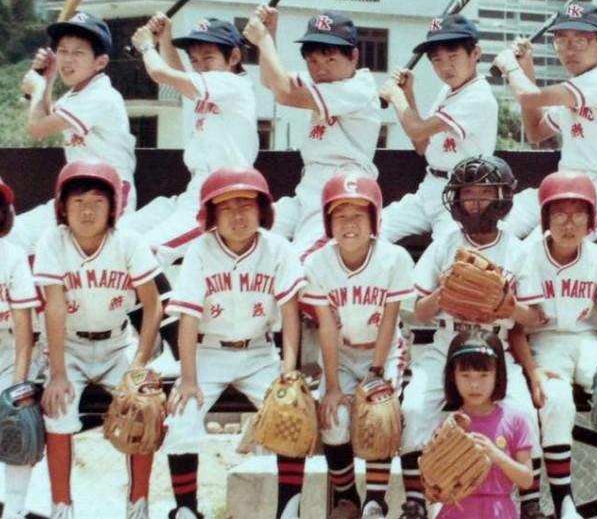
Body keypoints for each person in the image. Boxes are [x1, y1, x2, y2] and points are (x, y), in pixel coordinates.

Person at [399, 156, 545, 519]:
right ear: (456, 199)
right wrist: (444, 294)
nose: (476, 201)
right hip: (448, 342)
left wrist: (507, 305)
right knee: (414, 407)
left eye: (485, 192)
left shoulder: (517, 249)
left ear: (502, 198)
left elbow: (535, 316)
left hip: (495, 345)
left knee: (525, 410)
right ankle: (416, 500)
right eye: (468, 193)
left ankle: (530, 504)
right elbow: (418, 310)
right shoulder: (444, 243)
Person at [162, 168, 305, 519]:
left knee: (296, 415)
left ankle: (289, 509)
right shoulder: (200, 251)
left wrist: (288, 376)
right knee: (181, 417)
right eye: (226, 207)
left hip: (260, 353)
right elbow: (188, 320)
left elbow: (290, 316)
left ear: (262, 211)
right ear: (212, 216)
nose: (237, 215)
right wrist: (189, 378)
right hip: (208, 352)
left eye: (245, 205)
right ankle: (185, 510)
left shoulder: (278, 249)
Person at [510, 171, 597, 519]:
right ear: (545, 219)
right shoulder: (528, 254)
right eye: (559, 214)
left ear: (591, 219)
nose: (569, 224)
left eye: (578, 214)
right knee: (556, 402)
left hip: (586, 341)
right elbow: (515, 329)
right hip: (544, 342)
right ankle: (563, 503)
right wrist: (533, 370)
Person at [34, 162, 161, 519]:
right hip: (69, 345)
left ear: (113, 208)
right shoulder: (53, 241)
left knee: (144, 406)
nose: (87, 210)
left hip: (117, 345)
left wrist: (138, 365)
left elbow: (153, 306)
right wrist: (57, 373)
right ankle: (62, 507)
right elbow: (54, 308)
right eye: (77, 202)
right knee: (57, 409)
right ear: (62, 208)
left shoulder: (128, 242)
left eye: (97, 201)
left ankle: (138, 505)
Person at [301, 173, 413, 519]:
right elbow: (327, 329)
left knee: (377, 412)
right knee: (333, 418)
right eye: (340, 215)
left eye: (358, 215)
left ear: (374, 220)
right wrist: (332, 386)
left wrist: (376, 375)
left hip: (384, 348)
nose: (349, 224)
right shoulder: (317, 262)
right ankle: (348, 497)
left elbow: (390, 321)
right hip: (342, 351)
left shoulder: (394, 258)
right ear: (328, 223)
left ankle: (375, 501)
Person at [244, 8, 381, 257]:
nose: (321, 69)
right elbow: (271, 82)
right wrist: (270, 34)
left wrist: (263, 40)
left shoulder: (358, 88)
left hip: (342, 193)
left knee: (295, 265)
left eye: (331, 60)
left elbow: (285, 93)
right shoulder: (322, 82)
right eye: (313, 61)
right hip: (308, 189)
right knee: (250, 238)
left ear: (354, 57)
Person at [495, 2, 597, 240]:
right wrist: (526, 66)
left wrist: (510, 67)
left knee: (539, 248)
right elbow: (536, 131)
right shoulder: (576, 90)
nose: (570, 49)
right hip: (561, 186)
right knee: (494, 227)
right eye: (562, 40)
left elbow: (529, 97)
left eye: (580, 40)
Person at [125, 17, 258, 265]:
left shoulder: (231, 84)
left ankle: (159, 305)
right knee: (120, 237)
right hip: (193, 194)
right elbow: (181, 80)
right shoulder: (212, 86)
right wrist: (166, 39)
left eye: (208, 57)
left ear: (234, 57)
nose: (200, 66)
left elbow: (162, 74)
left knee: (146, 252)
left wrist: (146, 46)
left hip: (222, 201)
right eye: (195, 60)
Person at [13, 12, 136, 256]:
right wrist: (47, 80)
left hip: (108, 197)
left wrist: (36, 88)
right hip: (76, 196)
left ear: (100, 62)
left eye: (78, 53)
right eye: (62, 51)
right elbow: (48, 118)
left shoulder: (101, 95)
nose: (67, 60)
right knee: (12, 236)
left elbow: (37, 128)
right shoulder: (77, 95)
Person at [378, 15, 497, 242]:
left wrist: (396, 97)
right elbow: (422, 145)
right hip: (429, 189)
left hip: (462, 197)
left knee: (444, 257)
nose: (446, 67)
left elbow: (417, 130)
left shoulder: (478, 96)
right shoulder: (448, 90)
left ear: (476, 53)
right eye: (437, 60)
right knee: (374, 229)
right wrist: (407, 94)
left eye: (453, 56)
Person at [434, 329, 535, 519]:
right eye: (465, 375)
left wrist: (496, 455)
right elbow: (435, 486)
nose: (474, 385)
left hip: (500, 510)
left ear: (498, 375)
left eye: (483, 375)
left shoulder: (515, 420)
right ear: (452, 377)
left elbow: (527, 479)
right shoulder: (450, 426)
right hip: (457, 511)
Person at [0, 175, 43, 519]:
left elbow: (24, 334)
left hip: (9, 351)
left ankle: (13, 509)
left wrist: (17, 386)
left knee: (17, 417)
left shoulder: (11, 256)